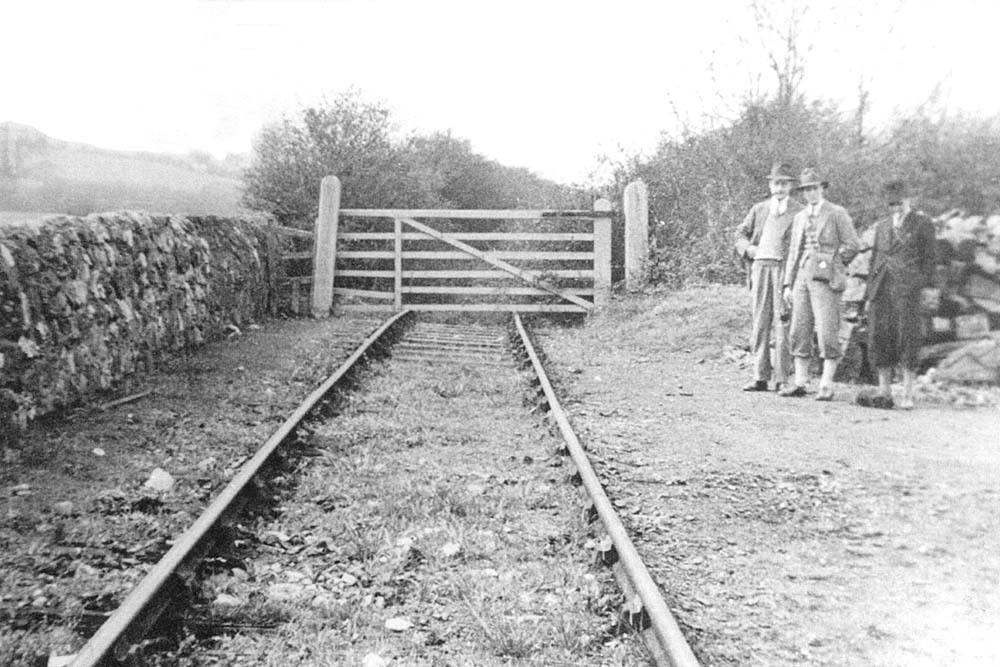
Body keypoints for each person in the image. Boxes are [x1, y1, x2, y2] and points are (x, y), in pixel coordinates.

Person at [780, 168, 862, 401]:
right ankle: (800, 382)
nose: (811, 193)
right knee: (799, 327)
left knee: (827, 329)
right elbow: (794, 252)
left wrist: (833, 262)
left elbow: (852, 244)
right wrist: (787, 284)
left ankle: (826, 383)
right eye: (807, 189)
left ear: (822, 189)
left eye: (815, 188)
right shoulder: (799, 217)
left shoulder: (836, 213)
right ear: (803, 192)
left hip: (826, 279)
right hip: (802, 278)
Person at [861, 180, 937, 409]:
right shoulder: (883, 226)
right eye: (892, 204)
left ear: (908, 199)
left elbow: (930, 260)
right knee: (880, 336)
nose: (896, 208)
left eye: (900, 203)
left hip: (907, 290)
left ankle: (908, 392)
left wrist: (921, 285)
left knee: (907, 337)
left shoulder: (922, 223)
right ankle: (884, 391)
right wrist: (869, 293)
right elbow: (875, 259)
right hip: (882, 288)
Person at [734, 161, 803, 391]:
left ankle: (782, 379)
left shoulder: (799, 211)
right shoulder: (759, 209)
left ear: (791, 186)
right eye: (776, 183)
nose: (780, 188)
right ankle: (760, 376)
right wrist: (748, 249)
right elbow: (740, 234)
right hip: (760, 267)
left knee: (783, 321)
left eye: (784, 184)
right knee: (760, 321)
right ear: (770, 185)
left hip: (784, 269)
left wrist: (792, 278)